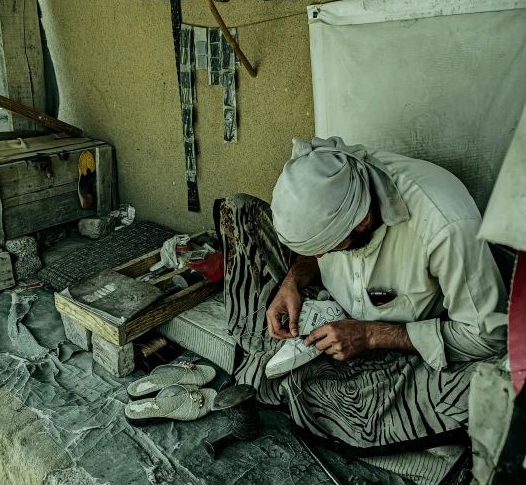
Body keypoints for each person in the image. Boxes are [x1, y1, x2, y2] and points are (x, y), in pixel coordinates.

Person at [217, 137, 507, 455]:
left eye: (328, 248)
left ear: (364, 221)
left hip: (405, 345)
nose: (322, 256)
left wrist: (369, 335)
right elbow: (312, 255)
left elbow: (489, 336)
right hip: (336, 312)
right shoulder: (333, 173)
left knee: (495, 388)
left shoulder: (446, 226)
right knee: (239, 211)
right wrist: (292, 283)